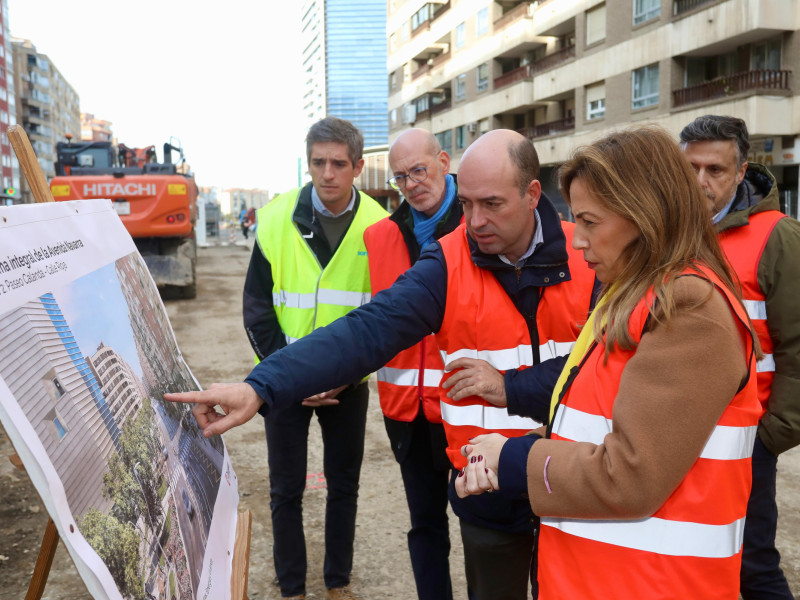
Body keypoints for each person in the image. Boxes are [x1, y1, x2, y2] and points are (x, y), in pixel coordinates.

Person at [165, 129, 596, 600]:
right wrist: (261, 386)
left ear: (533, 194)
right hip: (488, 486)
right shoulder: (450, 261)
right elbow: (368, 330)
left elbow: (602, 373)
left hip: (578, 478)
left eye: (491, 204)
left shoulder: (591, 256)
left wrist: (510, 388)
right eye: (467, 204)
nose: (474, 221)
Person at [456, 125, 762, 599]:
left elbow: (631, 475)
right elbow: (599, 425)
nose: (577, 241)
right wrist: (505, 451)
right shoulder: (635, 295)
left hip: (653, 584)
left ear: (644, 215)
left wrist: (515, 459)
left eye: (590, 222)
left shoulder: (688, 307)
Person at [240, 116, 388, 600]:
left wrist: (345, 376)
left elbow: (387, 317)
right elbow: (258, 310)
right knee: (286, 490)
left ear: (358, 167)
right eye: (318, 162)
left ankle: (338, 581)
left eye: (338, 164)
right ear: (308, 163)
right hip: (286, 384)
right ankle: (292, 587)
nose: (327, 173)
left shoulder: (380, 228)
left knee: (344, 486)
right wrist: (289, 375)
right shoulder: (276, 218)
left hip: (350, 384)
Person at [680, 114, 800, 600]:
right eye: (691, 168)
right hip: (678, 431)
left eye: (715, 170)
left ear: (741, 171)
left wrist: (772, 437)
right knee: (694, 561)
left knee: (751, 564)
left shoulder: (779, 237)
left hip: (747, 438)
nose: (701, 182)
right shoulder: (671, 231)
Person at [363, 128, 462, 600]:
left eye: (419, 170)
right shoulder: (379, 237)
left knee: (492, 529)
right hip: (407, 411)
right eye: (401, 177)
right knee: (425, 525)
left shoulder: (480, 221)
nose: (411, 184)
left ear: (443, 161)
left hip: (470, 408)